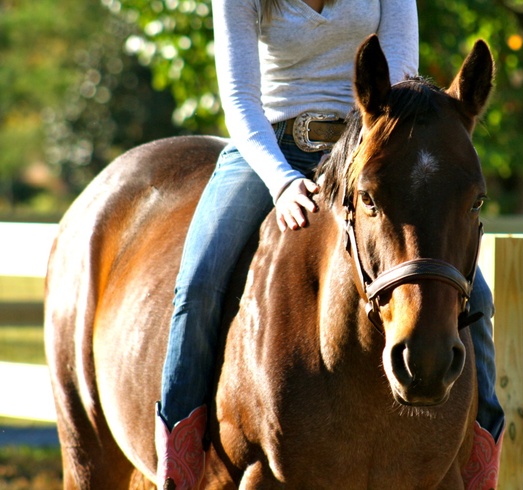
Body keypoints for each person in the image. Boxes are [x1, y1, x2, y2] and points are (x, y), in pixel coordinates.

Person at [154, 0, 505, 487]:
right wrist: (281, 181)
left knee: (476, 297)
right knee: (199, 280)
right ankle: (180, 452)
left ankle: (481, 455)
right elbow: (239, 99)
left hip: (369, 150)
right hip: (267, 148)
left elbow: (395, 89)